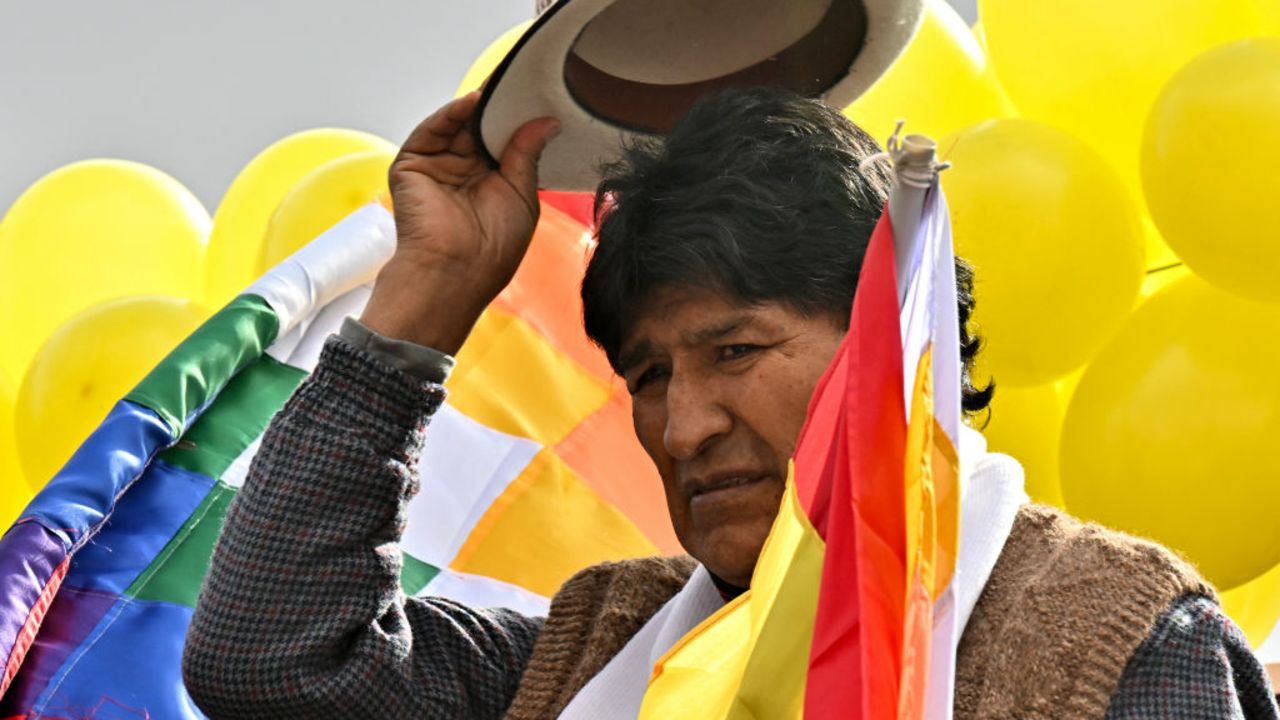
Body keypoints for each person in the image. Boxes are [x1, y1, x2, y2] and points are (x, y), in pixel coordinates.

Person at [183, 87, 1278, 719]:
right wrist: (429, 291)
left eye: (735, 349)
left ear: (894, 348)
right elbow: (270, 660)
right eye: (650, 375)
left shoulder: (1123, 641)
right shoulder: (592, 650)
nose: (683, 423)